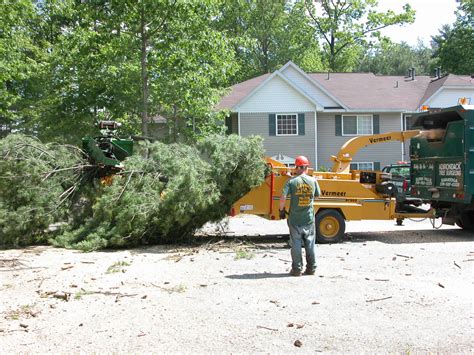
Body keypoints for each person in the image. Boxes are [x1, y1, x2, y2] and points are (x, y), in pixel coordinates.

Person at [279, 155, 321, 276]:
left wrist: (281, 210)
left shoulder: (291, 182)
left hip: (294, 219)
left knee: (296, 244)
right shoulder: (313, 181)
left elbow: (282, 198)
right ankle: (311, 268)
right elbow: (317, 196)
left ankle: (297, 269)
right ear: (306, 168)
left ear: (297, 168)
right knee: (310, 243)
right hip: (308, 219)